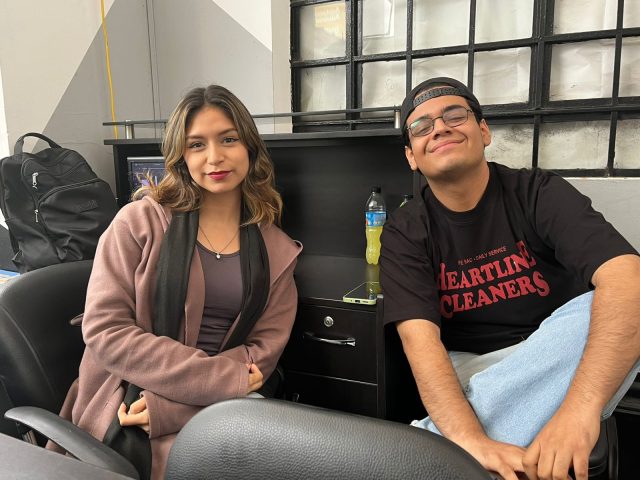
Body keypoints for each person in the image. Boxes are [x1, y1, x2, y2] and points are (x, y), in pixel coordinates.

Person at [380, 77, 640, 480]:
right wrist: (471, 440)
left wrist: (578, 412)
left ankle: (431, 455)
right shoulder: (405, 231)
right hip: (474, 370)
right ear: (411, 156)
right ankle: (466, 441)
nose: (440, 128)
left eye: (454, 115)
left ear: (484, 131)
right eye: (421, 126)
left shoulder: (538, 192)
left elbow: (626, 279)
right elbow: (421, 343)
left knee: (621, 298)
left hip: (559, 355)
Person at [53, 85, 302, 479]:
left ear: (250, 148)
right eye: (196, 145)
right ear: (181, 156)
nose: (215, 157)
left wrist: (176, 408)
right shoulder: (138, 224)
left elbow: (262, 355)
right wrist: (226, 380)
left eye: (228, 139)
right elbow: (105, 331)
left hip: (221, 409)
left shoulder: (277, 249)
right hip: (130, 401)